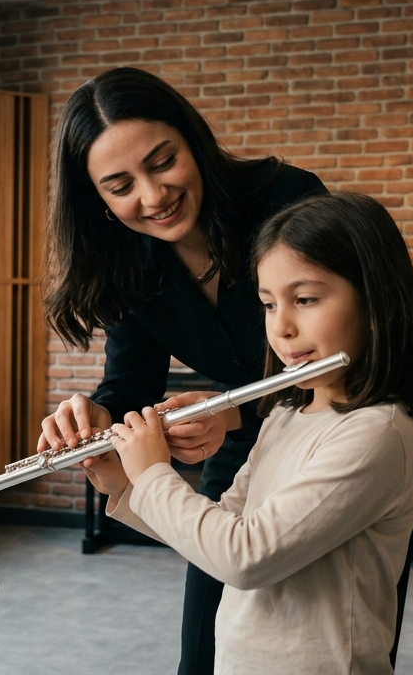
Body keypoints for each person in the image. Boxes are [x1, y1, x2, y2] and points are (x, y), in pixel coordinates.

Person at [38, 66, 327, 673]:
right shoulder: (128, 266)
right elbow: (129, 386)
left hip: (327, 442)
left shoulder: (286, 199)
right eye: (120, 186)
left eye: (162, 161)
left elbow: (331, 361)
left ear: (192, 139)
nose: (152, 196)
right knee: (206, 648)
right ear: (100, 202)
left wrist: (233, 409)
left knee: (324, 637)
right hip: (240, 446)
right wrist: (97, 415)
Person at [85, 192, 413, 675]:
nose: (283, 328)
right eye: (269, 305)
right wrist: (124, 484)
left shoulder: (376, 435)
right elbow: (217, 529)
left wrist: (153, 474)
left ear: (374, 299)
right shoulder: (285, 416)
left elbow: (246, 557)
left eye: (305, 299)